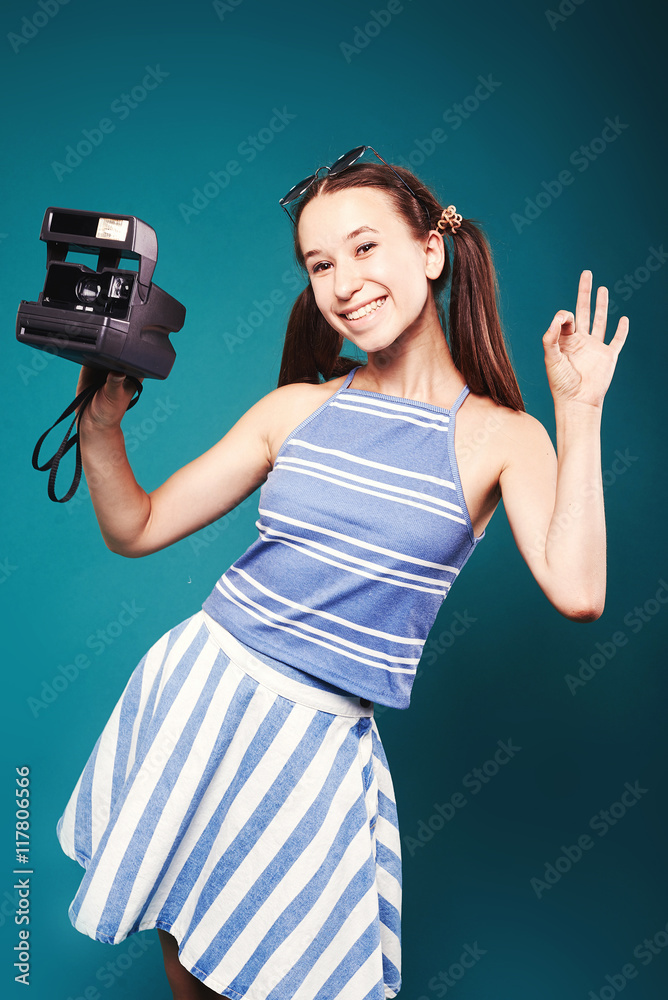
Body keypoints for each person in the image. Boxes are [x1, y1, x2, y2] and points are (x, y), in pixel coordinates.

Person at [55, 146, 629, 1000]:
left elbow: (581, 594)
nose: (343, 281)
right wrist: (100, 424)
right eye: (321, 264)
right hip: (205, 697)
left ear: (431, 252)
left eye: (365, 249)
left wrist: (577, 415)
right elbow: (135, 527)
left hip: (320, 741)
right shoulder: (297, 410)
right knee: (192, 972)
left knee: (295, 970)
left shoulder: (504, 437)